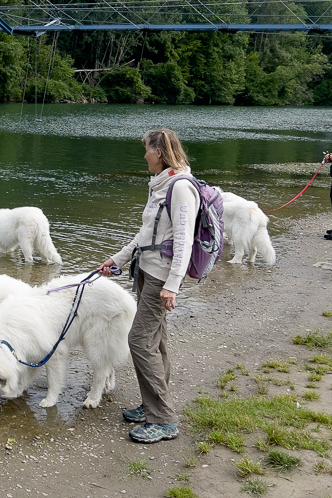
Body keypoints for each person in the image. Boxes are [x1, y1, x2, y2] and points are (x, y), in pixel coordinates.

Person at [97, 128, 199, 444]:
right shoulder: (161, 185)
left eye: (147, 150)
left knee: (139, 341)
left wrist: (173, 285)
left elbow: (183, 241)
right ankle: (151, 405)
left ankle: (164, 419)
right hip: (146, 271)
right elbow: (146, 235)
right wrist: (118, 260)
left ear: (159, 152)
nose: (144, 156)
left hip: (161, 278)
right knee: (156, 341)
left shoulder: (180, 188)